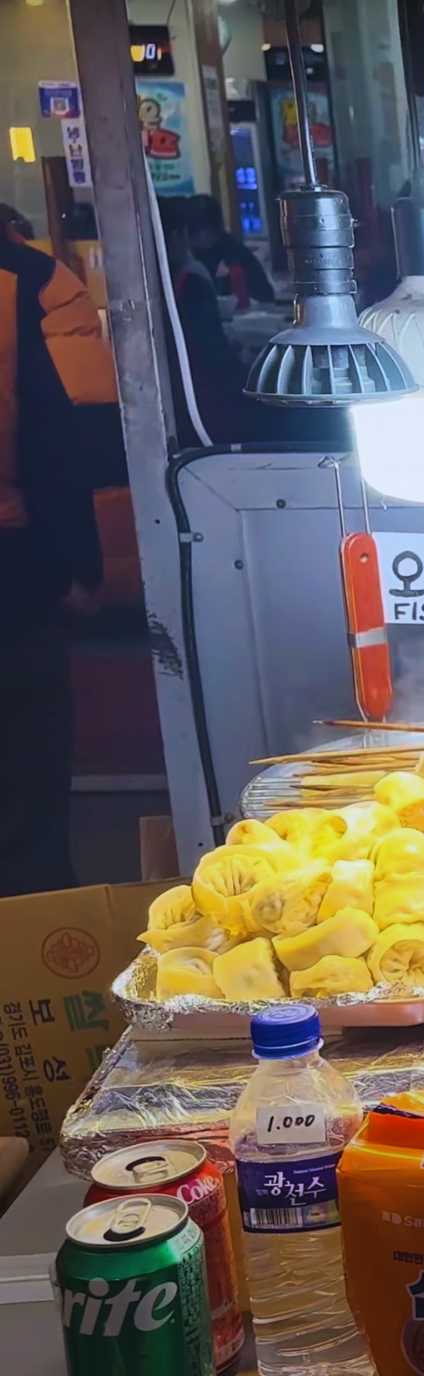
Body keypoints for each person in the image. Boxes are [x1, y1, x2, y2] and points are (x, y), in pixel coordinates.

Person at [0, 224, 113, 893]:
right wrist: (84, 565)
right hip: (14, 569)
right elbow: (71, 432)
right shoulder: (31, 282)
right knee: (28, 775)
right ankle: (41, 955)